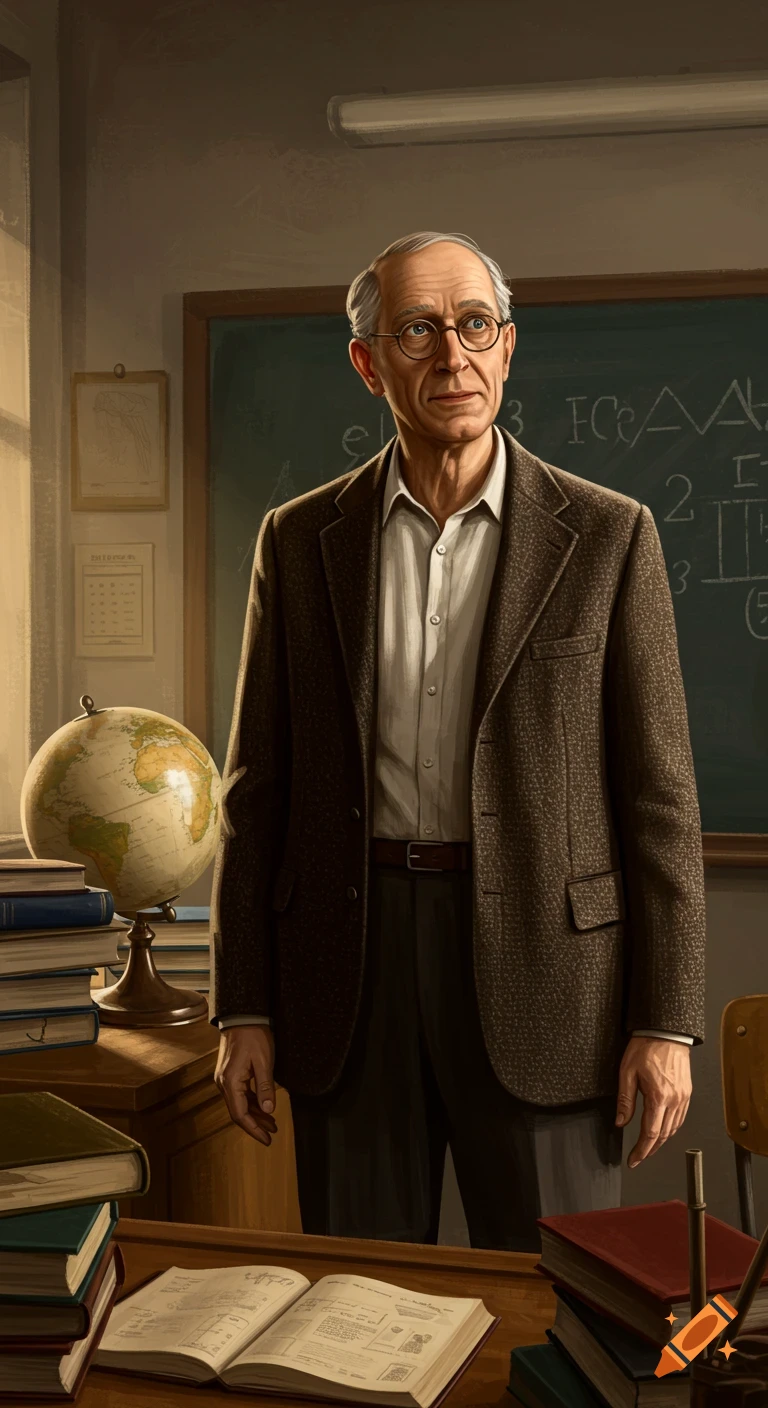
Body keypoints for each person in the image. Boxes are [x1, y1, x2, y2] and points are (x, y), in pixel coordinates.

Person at [211, 231, 706, 1251]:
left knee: (557, 1312)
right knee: (353, 1307)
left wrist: (666, 1021)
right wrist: (241, 1006)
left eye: (475, 324)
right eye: (418, 331)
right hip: (350, 970)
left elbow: (659, 799)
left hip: (552, 983)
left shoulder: (610, 536)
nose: (453, 356)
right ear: (368, 363)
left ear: (509, 346)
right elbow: (256, 792)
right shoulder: (301, 543)